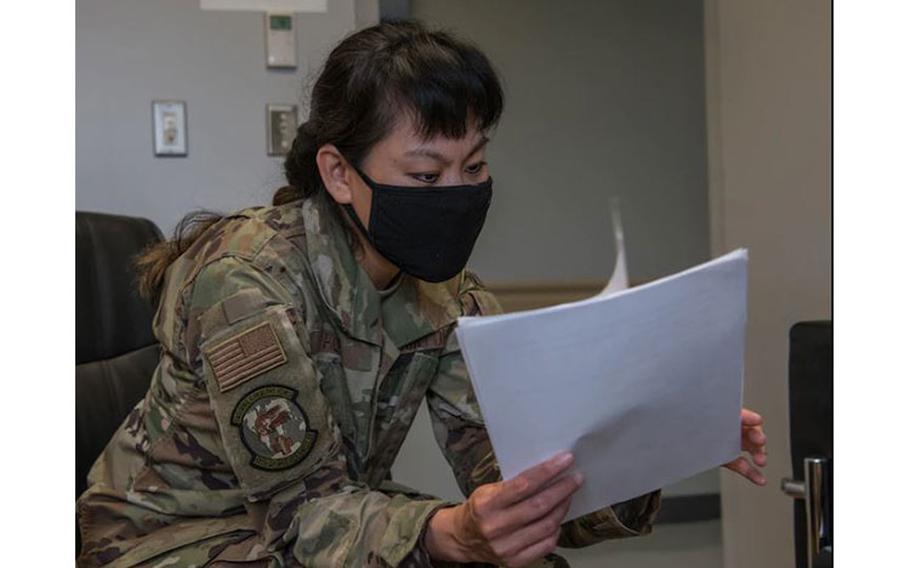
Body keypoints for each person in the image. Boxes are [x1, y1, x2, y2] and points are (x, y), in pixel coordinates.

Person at [76, 20, 768, 568]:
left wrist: (656, 441)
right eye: (427, 175)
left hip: (311, 525)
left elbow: (506, 468)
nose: (459, 194)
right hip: (164, 541)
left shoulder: (446, 292)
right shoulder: (246, 281)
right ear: (339, 174)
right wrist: (451, 534)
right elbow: (300, 515)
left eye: (475, 166)